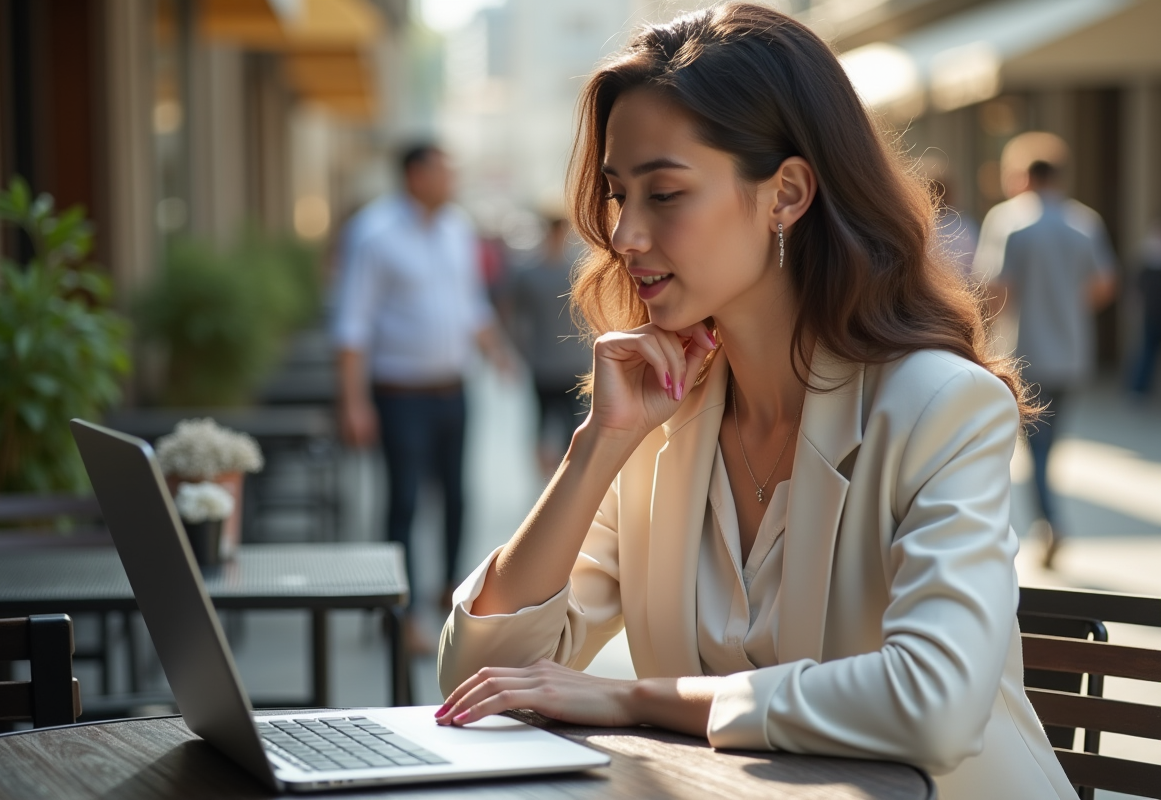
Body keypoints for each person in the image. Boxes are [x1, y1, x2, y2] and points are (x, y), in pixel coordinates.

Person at [432, 6, 1077, 799]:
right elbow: (475, 678)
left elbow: (932, 703)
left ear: (787, 194)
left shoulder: (940, 407)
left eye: (665, 193)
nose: (625, 235)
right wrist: (596, 448)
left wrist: (638, 697)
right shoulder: (661, 418)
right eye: (617, 194)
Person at [333, 143, 511, 649]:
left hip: (452, 389)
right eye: (442, 171)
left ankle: (449, 597)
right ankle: (397, 614)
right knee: (404, 501)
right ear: (414, 175)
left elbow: (470, 304)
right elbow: (352, 325)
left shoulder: (457, 229)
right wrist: (353, 402)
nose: (451, 179)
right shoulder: (373, 233)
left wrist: (497, 351)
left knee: (457, 496)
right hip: (399, 394)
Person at [973, 153, 1117, 569]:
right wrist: (1070, 309)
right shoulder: (1084, 221)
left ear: (1022, 176)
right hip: (1072, 352)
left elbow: (997, 289)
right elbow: (1106, 283)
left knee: (1035, 448)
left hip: (1023, 352)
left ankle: (1049, 522)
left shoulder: (1009, 221)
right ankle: (1048, 521)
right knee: (1046, 447)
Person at [508, 217, 592, 474]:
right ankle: (550, 482)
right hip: (545, 363)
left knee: (573, 428)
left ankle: (566, 480)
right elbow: (513, 315)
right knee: (544, 427)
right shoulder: (530, 273)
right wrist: (521, 350)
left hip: (574, 363)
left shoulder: (577, 270)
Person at [1129, 221, 1161, 398]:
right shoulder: (1149, 255)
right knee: (1146, 351)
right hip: (1152, 313)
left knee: (1146, 351)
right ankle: (1138, 389)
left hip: (1150, 312)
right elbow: (1138, 286)